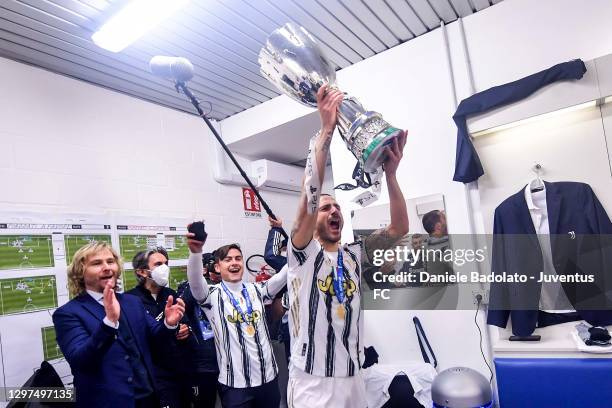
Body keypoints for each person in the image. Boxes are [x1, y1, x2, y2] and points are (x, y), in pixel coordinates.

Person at [287, 84, 409, 408]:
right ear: (314, 221)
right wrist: (326, 132)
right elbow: (307, 203)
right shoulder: (302, 254)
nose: (334, 211)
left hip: (354, 376)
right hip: (314, 382)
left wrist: (392, 175)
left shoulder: (353, 254)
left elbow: (399, 229)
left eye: (337, 207)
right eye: (326, 208)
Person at [53, 241, 185, 408]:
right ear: (80, 273)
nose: (107, 267)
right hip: (108, 402)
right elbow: (80, 361)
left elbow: (156, 336)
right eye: (96, 263)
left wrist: (169, 324)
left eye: (110, 261)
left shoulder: (132, 302)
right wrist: (109, 323)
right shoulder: (68, 313)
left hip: (148, 398)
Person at [186, 234, 288, 408]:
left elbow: (285, 274)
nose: (234, 262)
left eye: (238, 258)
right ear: (218, 267)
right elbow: (195, 282)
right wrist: (195, 253)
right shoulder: (212, 295)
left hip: (268, 379)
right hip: (235, 386)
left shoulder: (258, 290)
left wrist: (304, 242)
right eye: (228, 259)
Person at [126, 248, 193, 408]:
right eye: (158, 264)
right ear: (142, 272)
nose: (165, 268)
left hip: (179, 371)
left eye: (166, 263)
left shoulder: (171, 294)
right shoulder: (130, 300)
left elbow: (186, 323)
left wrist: (186, 330)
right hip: (153, 377)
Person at [176, 251, 220, 408]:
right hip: (203, 361)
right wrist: (197, 279)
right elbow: (179, 311)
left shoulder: (225, 287)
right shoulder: (187, 288)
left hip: (227, 360)